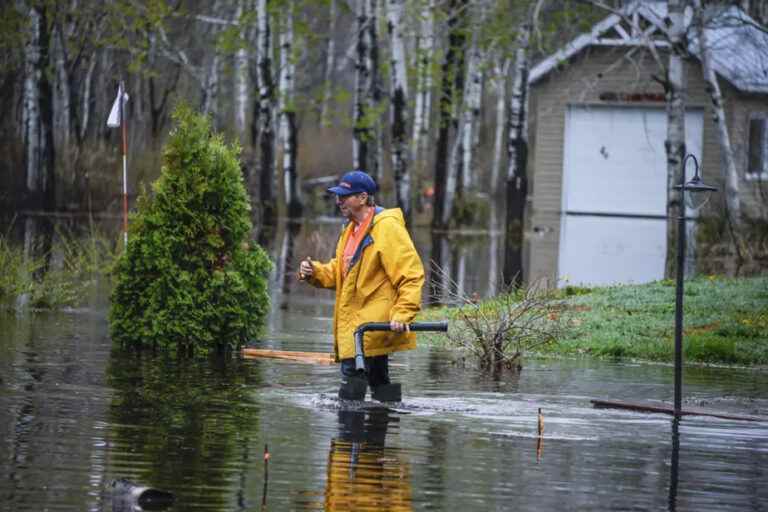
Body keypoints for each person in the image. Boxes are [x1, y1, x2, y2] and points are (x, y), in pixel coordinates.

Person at [298, 170, 425, 401]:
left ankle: (350, 433)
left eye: (345, 196)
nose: (339, 201)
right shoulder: (350, 229)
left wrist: (403, 314)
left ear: (363, 198)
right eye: (338, 196)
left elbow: (411, 275)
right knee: (379, 384)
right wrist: (314, 272)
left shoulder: (387, 228)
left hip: (369, 328)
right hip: (360, 328)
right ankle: (382, 423)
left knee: (350, 393)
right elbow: (341, 273)